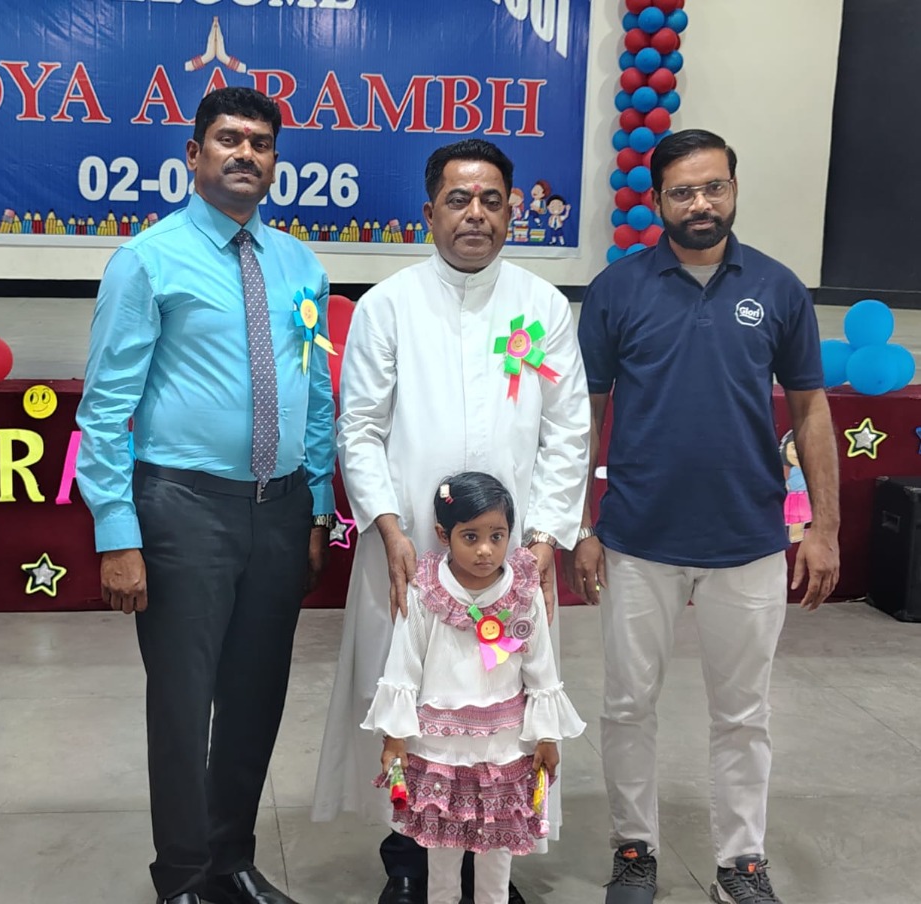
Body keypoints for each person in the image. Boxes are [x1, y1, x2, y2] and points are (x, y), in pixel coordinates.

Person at [312, 138, 591, 904]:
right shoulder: (388, 305)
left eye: (491, 200)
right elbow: (358, 427)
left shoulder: (541, 307)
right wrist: (387, 526)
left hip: (512, 560)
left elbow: (569, 430)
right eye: (458, 199)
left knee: (503, 710)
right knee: (411, 702)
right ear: (428, 211)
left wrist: (543, 540)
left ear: (511, 213)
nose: (475, 214)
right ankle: (409, 861)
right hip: (410, 551)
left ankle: (490, 860)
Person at [76, 86, 337, 904]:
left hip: (281, 509)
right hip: (182, 510)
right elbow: (104, 409)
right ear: (194, 154)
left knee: (256, 699)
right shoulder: (147, 260)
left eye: (260, 143)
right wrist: (116, 532)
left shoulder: (299, 263)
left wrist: (318, 504)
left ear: (274, 162)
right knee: (184, 706)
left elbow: (314, 393)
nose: (245, 153)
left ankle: (230, 862)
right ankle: (183, 877)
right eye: (228, 139)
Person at [571, 129, 840, 904]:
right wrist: (584, 526)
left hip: (748, 538)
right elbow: (584, 416)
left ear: (732, 189)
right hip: (636, 538)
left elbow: (810, 409)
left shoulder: (778, 289)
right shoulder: (615, 290)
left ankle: (740, 862)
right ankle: (633, 850)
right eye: (682, 191)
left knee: (744, 714)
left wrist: (821, 528)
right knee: (627, 706)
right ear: (656, 200)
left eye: (712, 187)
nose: (699, 203)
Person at [363, 472, 586, 904]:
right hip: (439, 752)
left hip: (504, 750)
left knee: (496, 863)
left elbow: (541, 667)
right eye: (471, 537)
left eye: (496, 536)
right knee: (442, 862)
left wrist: (546, 737)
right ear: (443, 534)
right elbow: (403, 665)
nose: (485, 549)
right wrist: (395, 736)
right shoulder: (426, 592)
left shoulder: (523, 592)